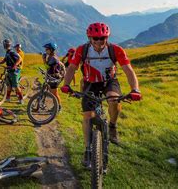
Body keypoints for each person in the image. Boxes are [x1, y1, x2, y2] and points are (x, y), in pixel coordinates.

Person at [60, 22, 142, 168]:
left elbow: (129, 70)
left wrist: (135, 89)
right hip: (89, 83)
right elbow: (72, 67)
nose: (99, 41)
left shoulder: (115, 50)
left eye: (102, 38)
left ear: (107, 37)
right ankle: (87, 150)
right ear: (89, 37)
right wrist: (66, 85)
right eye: (95, 38)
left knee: (113, 99)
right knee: (88, 116)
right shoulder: (82, 50)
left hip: (109, 81)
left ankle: (112, 125)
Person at [0, 39, 24, 104]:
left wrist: (15, 65)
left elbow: (20, 59)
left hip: (15, 70)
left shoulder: (12, 52)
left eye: (6, 45)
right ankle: (8, 98)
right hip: (9, 69)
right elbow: (4, 60)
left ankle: (21, 99)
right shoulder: (7, 52)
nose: (6, 46)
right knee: (9, 85)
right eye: (5, 45)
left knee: (16, 86)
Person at [41, 42, 64, 108]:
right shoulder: (51, 57)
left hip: (55, 77)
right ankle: (56, 106)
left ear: (51, 50)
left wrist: (44, 59)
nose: (45, 50)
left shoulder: (53, 58)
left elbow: (47, 67)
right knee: (52, 93)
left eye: (47, 49)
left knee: (55, 93)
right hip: (52, 77)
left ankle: (59, 107)